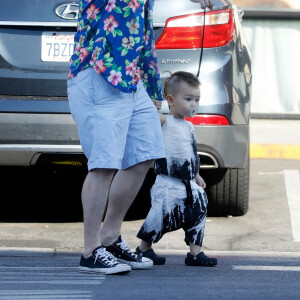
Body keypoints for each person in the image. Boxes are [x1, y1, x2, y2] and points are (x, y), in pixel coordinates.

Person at [67, 0, 214, 275]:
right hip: (100, 74)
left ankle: (109, 238)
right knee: (104, 163)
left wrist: (151, 84)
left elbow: (142, 29)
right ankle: (91, 250)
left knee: (144, 153)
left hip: (131, 79)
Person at [136, 71, 218, 267]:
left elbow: (190, 152)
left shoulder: (189, 127)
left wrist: (196, 174)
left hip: (188, 183)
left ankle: (195, 253)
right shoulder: (165, 121)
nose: (194, 105)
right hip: (167, 183)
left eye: (197, 100)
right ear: (171, 100)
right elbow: (149, 117)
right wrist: (152, 101)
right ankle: (143, 249)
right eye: (188, 99)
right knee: (158, 218)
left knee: (198, 211)